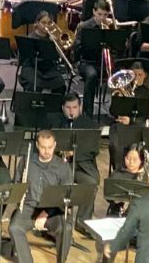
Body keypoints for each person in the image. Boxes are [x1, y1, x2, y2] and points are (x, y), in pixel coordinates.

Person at [9, 130, 73, 263]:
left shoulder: (63, 166)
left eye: (50, 147)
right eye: (43, 147)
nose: (47, 151)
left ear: (55, 145)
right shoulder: (26, 161)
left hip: (53, 210)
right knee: (14, 228)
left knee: (66, 228)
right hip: (29, 207)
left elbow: (64, 196)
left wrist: (45, 214)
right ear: (37, 145)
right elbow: (16, 184)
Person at [46, 94, 99, 230]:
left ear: (80, 108)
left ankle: (82, 222)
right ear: (63, 108)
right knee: (58, 183)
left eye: (74, 107)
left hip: (80, 166)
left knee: (91, 184)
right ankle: (55, 220)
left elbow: (93, 150)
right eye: (68, 107)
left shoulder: (90, 125)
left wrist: (74, 153)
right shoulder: (54, 122)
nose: (71, 111)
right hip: (58, 165)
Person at [73, 0, 111, 116]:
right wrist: (90, 44)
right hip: (85, 62)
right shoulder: (84, 26)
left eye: (105, 15)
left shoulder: (109, 27)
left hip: (101, 62)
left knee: (120, 75)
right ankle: (87, 113)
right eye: (99, 14)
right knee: (92, 75)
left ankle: (116, 112)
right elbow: (77, 49)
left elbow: (115, 47)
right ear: (94, 12)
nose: (102, 18)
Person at [19, 10, 67, 94]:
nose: (46, 26)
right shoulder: (31, 37)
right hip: (32, 66)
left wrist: (56, 44)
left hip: (48, 67)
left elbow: (60, 56)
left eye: (49, 23)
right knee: (35, 84)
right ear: (37, 23)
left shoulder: (52, 38)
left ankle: (53, 105)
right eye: (43, 23)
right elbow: (26, 57)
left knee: (61, 83)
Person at [106, 143, 147, 216]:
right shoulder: (117, 175)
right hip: (118, 211)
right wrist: (119, 198)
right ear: (124, 158)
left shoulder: (147, 176)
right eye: (128, 158)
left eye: (135, 159)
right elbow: (109, 197)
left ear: (141, 160)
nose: (131, 162)